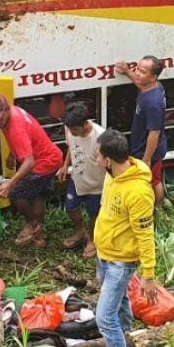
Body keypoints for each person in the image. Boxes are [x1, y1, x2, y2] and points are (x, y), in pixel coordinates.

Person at [92, 129, 160, 347]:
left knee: (104, 318)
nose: (97, 159)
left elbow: (146, 235)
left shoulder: (138, 192)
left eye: (99, 155)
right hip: (105, 254)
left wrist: (149, 276)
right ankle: (128, 334)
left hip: (121, 262)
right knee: (118, 301)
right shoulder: (112, 175)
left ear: (108, 159)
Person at [0, 92, 63, 247]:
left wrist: (10, 183)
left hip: (44, 162)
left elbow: (29, 163)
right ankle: (39, 237)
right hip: (50, 155)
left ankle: (32, 223)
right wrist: (11, 153)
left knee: (17, 194)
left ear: (6, 110)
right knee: (37, 195)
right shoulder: (9, 113)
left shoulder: (16, 128)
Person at [115, 55, 167, 207]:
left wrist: (146, 158)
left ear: (153, 77)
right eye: (137, 68)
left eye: (142, 72)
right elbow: (140, 83)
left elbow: (154, 133)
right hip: (143, 145)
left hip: (149, 149)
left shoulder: (153, 103)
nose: (137, 73)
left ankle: (158, 206)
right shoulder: (154, 86)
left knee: (154, 180)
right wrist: (127, 71)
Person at [56, 103, 106, 258]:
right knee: (70, 207)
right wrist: (65, 166)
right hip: (77, 177)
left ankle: (92, 240)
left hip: (97, 184)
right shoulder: (70, 128)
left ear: (85, 124)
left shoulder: (100, 137)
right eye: (70, 130)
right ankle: (80, 232)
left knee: (94, 215)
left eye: (74, 130)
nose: (71, 132)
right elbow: (71, 147)